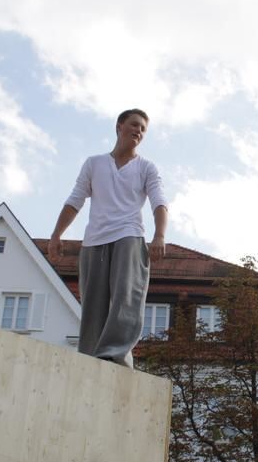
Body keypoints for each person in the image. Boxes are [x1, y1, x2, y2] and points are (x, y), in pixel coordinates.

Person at [48, 108, 168, 369]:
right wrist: (57, 234)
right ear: (120, 126)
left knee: (126, 298)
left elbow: (159, 202)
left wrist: (159, 235)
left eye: (143, 129)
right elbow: (75, 199)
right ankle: (90, 358)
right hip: (94, 242)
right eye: (135, 125)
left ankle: (114, 355)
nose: (139, 131)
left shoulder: (146, 167)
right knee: (93, 305)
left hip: (129, 237)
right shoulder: (94, 163)